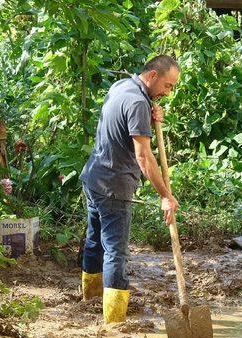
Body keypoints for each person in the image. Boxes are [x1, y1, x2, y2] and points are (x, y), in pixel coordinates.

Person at [79, 55, 180, 323]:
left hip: (94, 177)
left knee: (94, 241)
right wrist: (165, 196)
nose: (168, 93)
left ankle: (89, 299)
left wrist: (149, 111)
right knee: (116, 252)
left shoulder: (123, 87)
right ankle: (114, 322)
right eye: (168, 86)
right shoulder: (138, 101)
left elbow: (122, 120)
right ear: (153, 76)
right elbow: (144, 157)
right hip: (114, 186)